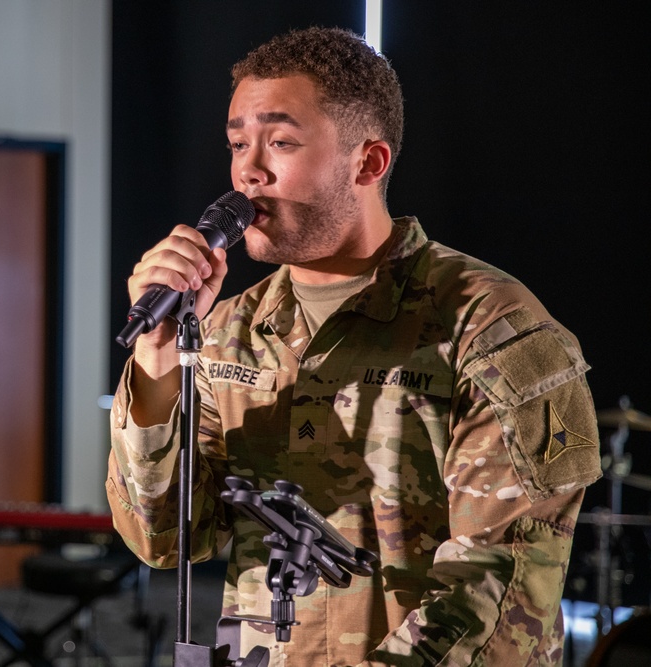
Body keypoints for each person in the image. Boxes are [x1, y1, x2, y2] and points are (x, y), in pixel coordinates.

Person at [106, 25, 602, 666]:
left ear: (368, 163)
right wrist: (157, 360)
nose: (248, 172)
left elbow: (498, 587)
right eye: (238, 144)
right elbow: (164, 540)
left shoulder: (488, 327)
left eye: (280, 142)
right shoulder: (227, 329)